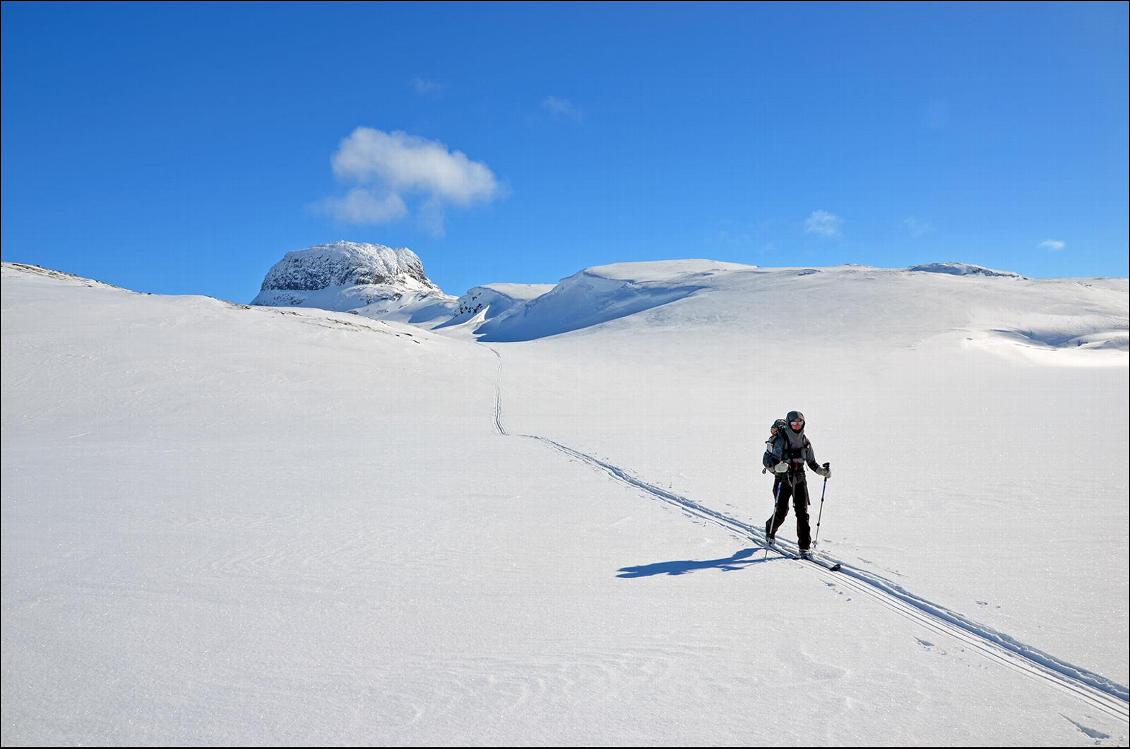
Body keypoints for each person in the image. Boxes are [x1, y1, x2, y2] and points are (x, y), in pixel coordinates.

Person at [762, 410, 830, 557]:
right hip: (783, 479)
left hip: (800, 479)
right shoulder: (780, 440)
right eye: (794, 423)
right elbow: (767, 460)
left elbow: (811, 462)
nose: (797, 425)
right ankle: (770, 530)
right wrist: (776, 469)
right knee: (781, 511)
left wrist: (821, 471)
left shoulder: (805, 441)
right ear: (789, 423)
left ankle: (804, 546)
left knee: (802, 513)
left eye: (800, 422)